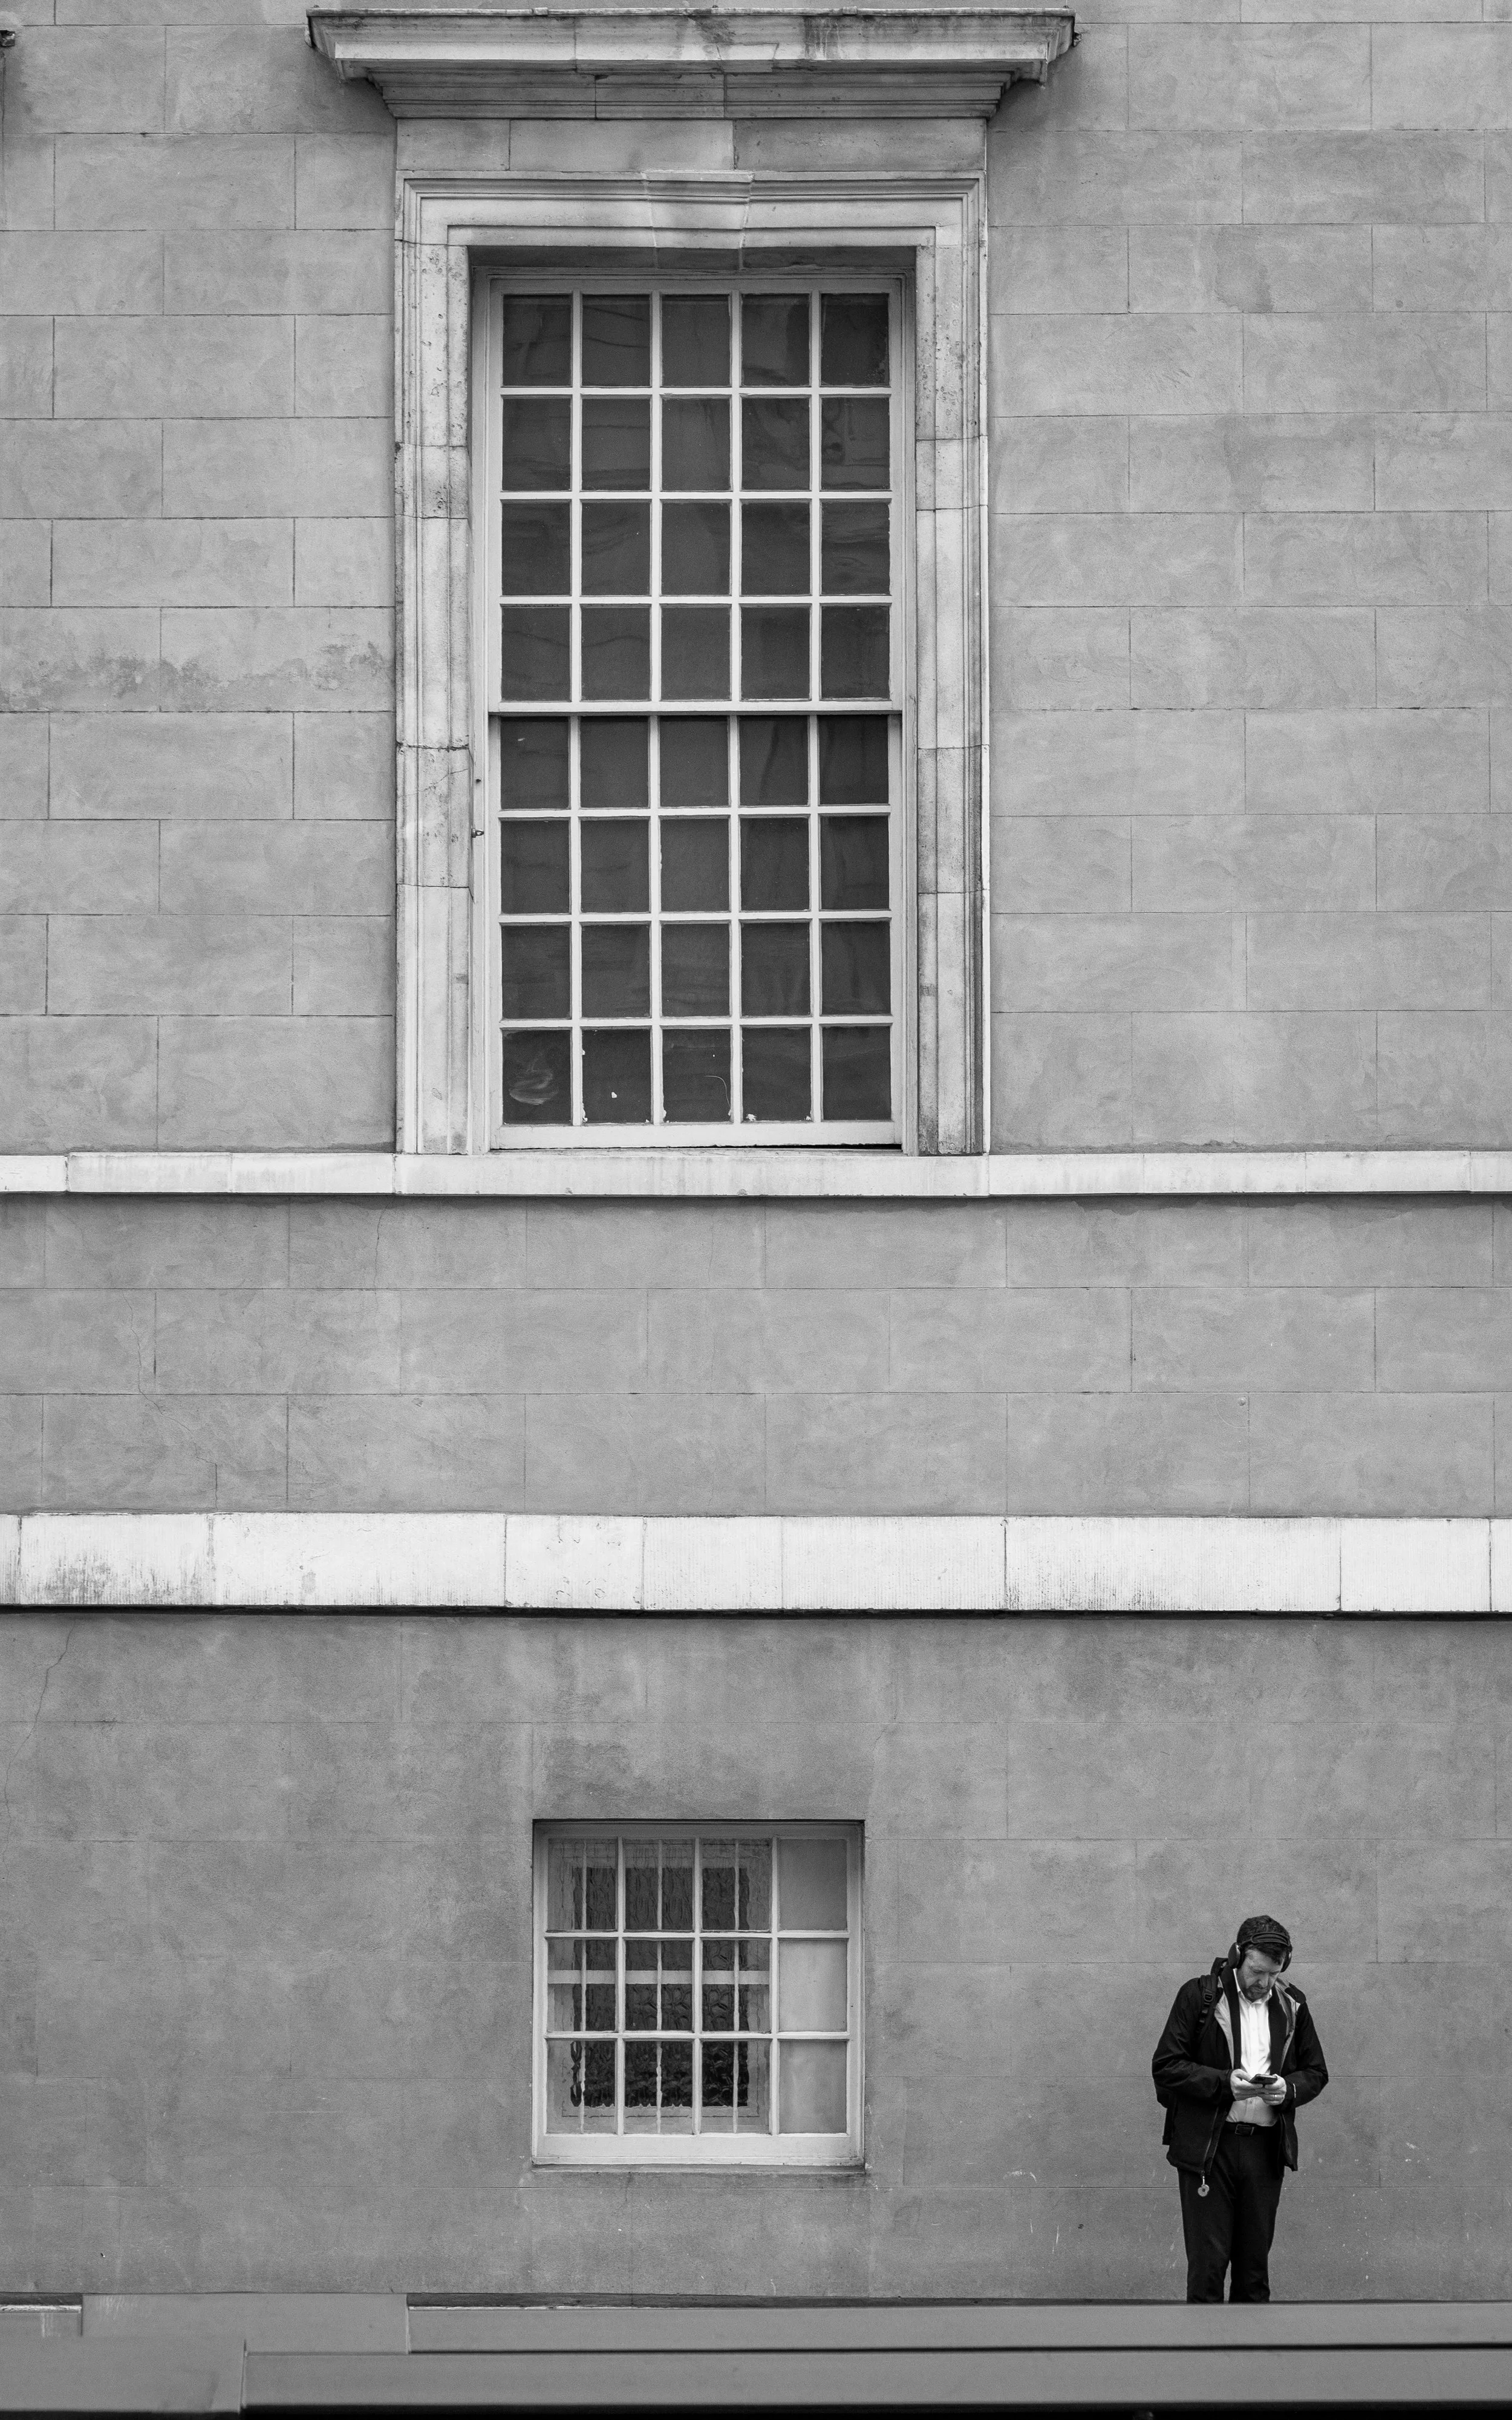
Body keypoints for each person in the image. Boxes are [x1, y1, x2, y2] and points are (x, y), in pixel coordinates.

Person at [1151, 1914, 1328, 2303]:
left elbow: (1316, 2071)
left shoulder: (1293, 2005)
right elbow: (1166, 2065)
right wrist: (1222, 2084)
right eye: (1256, 1971)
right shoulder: (1199, 1996)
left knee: (1254, 2270)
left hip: (1265, 2151)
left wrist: (1289, 2089)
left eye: (1273, 1973)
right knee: (1208, 2267)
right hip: (1209, 2151)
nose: (1263, 1982)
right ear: (1237, 1956)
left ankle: (1253, 2360)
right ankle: (1204, 2359)